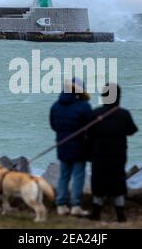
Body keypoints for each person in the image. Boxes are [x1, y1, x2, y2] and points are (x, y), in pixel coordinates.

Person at [87, 83, 138, 222]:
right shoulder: (124, 114)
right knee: (117, 182)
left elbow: (88, 134)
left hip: (98, 155)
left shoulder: (95, 114)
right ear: (118, 97)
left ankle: (96, 212)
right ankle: (120, 214)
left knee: (98, 182)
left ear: (104, 97)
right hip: (118, 155)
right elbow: (132, 131)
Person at [50, 78, 92, 216]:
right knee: (78, 175)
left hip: (62, 146)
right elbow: (90, 127)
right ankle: (75, 205)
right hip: (80, 147)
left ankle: (61, 205)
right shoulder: (84, 106)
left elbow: (54, 126)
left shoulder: (56, 106)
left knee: (64, 175)